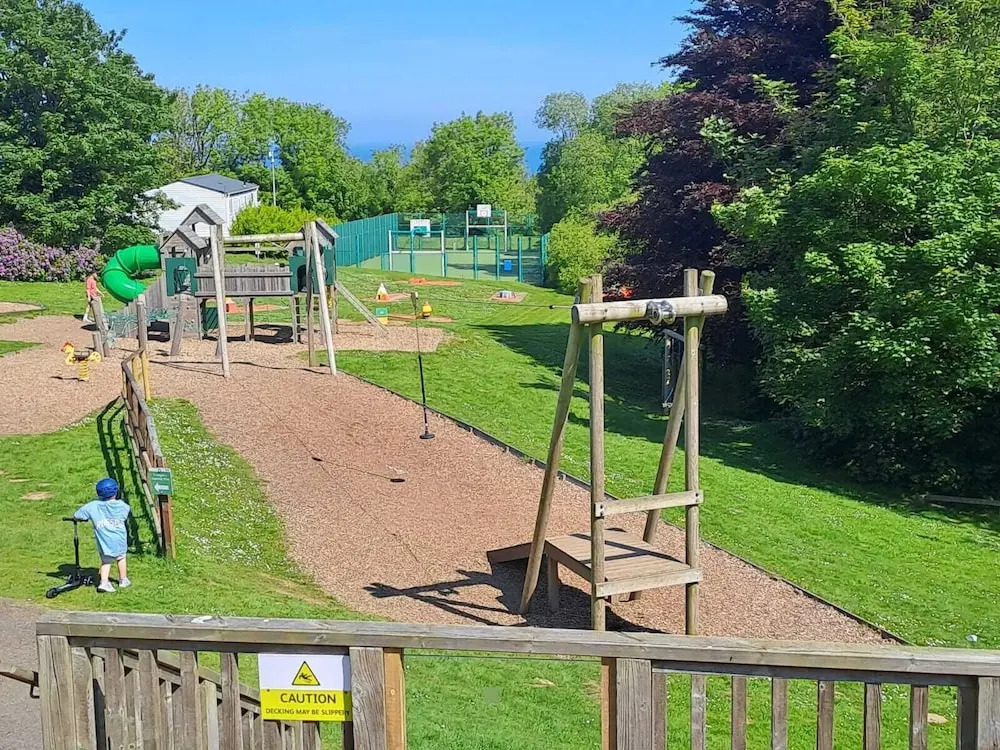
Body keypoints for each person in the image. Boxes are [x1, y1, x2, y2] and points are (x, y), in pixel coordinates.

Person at [74, 478, 132, 593]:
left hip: (104, 541)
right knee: (121, 557)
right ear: (116, 491)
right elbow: (126, 512)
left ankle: (104, 582)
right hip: (119, 538)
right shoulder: (122, 505)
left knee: (106, 561)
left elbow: (77, 515)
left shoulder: (93, 506)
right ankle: (123, 580)